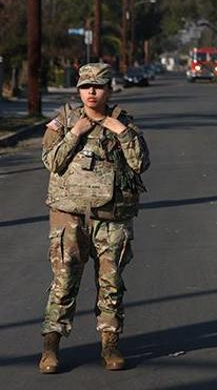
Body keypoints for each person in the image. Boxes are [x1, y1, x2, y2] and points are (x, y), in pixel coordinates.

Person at [38, 63, 150, 373]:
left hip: (111, 217)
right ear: (78, 90)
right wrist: (75, 132)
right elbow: (51, 161)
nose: (91, 92)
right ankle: (50, 347)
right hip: (69, 216)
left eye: (98, 86)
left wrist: (121, 132)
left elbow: (141, 163)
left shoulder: (124, 123)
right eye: (86, 86)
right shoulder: (63, 121)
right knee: (63, 282)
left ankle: (110, 345)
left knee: (111, 284)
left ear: (109, 90)